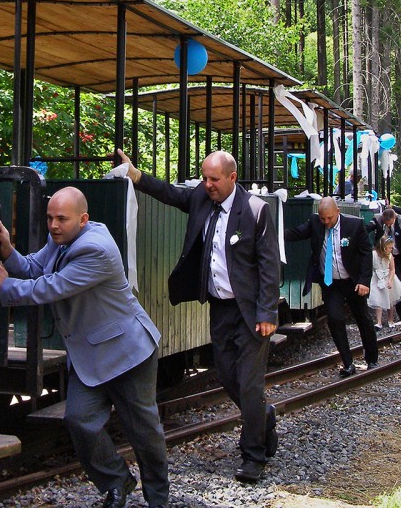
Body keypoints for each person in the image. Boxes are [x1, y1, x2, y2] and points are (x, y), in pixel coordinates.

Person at [0, 187, 169, 508]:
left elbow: (51, 286)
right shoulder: (62, 239)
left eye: (61, 219)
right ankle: (117, 481)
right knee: (79, 420)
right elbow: (35, 269)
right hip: (91, 354)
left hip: (128, 352)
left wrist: (7, 286)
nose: (53, 225)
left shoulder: (95, 250)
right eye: (50, 218)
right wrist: (8, 251)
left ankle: (158, 498)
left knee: (143, 431)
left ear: (83, 220)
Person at [117, 149, 279, 484]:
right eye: (204, 178)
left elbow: (269, 266)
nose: (207, 185)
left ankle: (254, 455)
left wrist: (268, 312)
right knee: (226, 376)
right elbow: (171, 193)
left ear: (232, 178)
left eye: (214, 179)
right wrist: (136, 176)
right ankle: (262, 417)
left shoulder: (255, 210)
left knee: (249, 384)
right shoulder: (202, 199)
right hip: (220, 306)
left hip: (251, 310)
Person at [285, 197, 378, 375]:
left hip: (353, 281)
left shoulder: (354, 225)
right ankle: (348, 363)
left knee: (363, 319)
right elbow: (297, 233)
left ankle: (372, 359)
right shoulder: (315, 223)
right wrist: (273, 233)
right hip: (330, 283)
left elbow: (366, 254)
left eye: (329, 218)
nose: (326, 222)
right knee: (335, 319)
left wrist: (364, 281)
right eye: (323, 218)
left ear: (337, 212)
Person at [366, 208, 401, 322]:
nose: (387, 224)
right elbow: (366, 229)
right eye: (385, 222)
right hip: (386, 257)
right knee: (396, 284)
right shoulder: (378, 220)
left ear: (394, 218)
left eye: (389, 222)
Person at [368, 236, 401, 329]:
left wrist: (390, 280)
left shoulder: (390, 256)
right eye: (390, 247)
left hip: (387, 277)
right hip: (376, 277)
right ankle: (378, 322)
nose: (391, 249)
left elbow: (392, 269)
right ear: (383, 247)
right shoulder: (373, 255)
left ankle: (390, 319)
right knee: (377, 298)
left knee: (390, 299)